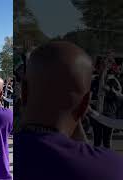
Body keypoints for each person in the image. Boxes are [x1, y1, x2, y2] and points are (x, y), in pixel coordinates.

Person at [15, 41, 123, 180]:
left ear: (24, 93)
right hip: (92, 116)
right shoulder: (112, 168)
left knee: (106, 141)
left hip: (107, 113)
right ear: (85, 104)